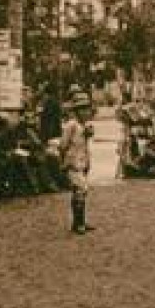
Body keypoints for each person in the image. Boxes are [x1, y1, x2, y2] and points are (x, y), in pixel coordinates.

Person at [59, 91, 96, 234]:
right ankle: (78, 223)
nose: (86, 112)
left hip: (82, 162)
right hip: (72, 162)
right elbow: (62, 145)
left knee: (80, 192)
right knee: (81, 190)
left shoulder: (83, 125)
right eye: (82, 109)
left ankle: (79, 221)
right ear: (76, 111)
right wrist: (64, 161)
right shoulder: (71, 125)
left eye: (87, 109)